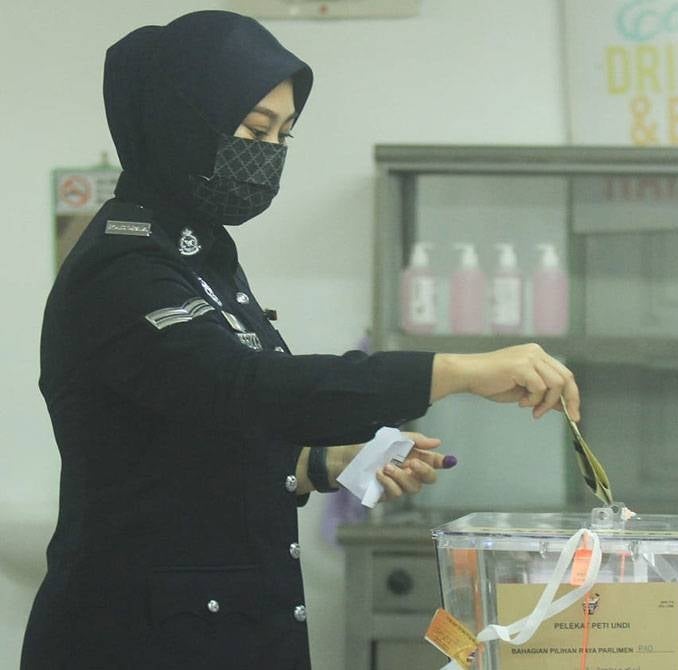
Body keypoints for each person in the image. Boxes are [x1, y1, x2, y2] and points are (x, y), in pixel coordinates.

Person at [21, 11, 580, 670]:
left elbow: (190, 439)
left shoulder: (200, 260)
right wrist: (455, 370)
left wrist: (323, 464)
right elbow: (242, 390)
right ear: (181, 121)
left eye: (284, 134)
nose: (268, 153)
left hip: (221, 633)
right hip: (142, 639)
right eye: (256, 129)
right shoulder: (126, 269)